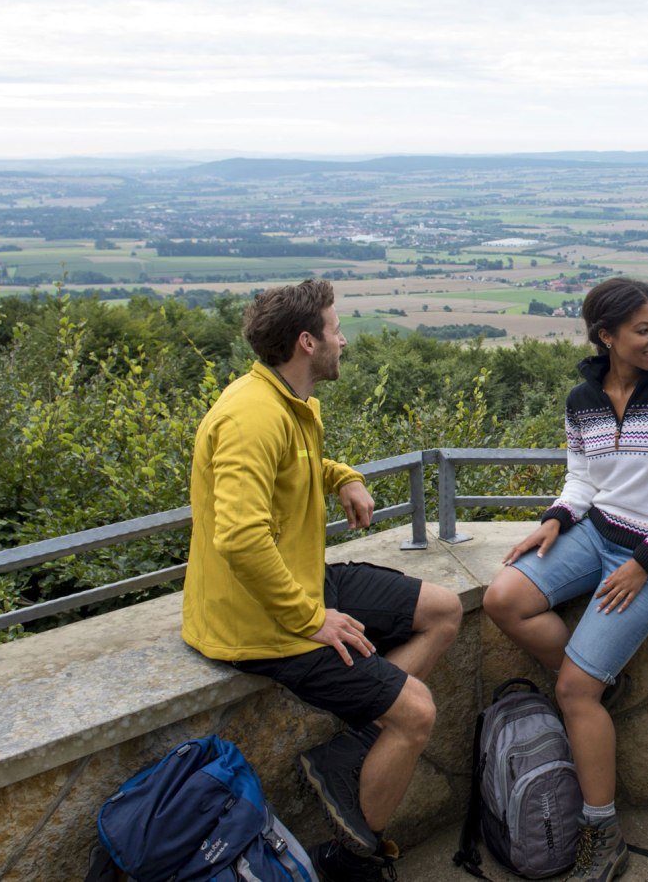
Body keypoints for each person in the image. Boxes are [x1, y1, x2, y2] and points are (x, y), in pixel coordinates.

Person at [182, 279, 462, 882]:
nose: (343, 339)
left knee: (444, 609)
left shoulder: (291, 400)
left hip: (303, 581)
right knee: (416, 713)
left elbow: (298, 466)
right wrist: (310, 620)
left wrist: (344, 476)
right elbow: (239, 536)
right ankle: (357, 860)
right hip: (263, 623)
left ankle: (358, 738)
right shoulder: (251, 416)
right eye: (336, 328)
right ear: (307, 342)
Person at [484, 277, 648, 881]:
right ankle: (595, 673)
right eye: (643, 329)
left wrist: (646, 561)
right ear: (606, 335)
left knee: (572, 693)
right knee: (503, 596)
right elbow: (583, 478)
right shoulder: (582, 398)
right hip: (594, 534)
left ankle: (602, 832)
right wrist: (553, 520)